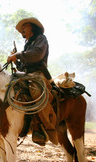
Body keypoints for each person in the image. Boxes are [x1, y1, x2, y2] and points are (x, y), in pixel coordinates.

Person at [7, 17, 58, 145]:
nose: (22, 30)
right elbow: (24, 67)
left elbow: (37, 55)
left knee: (35, 90)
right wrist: (16, 62)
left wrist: (17, 55)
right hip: (27, 74)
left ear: (33, 28)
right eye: (22, 28)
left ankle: (46, 127)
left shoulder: (41, 39)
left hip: (38, 74)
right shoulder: (27, 45)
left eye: (26, 26)